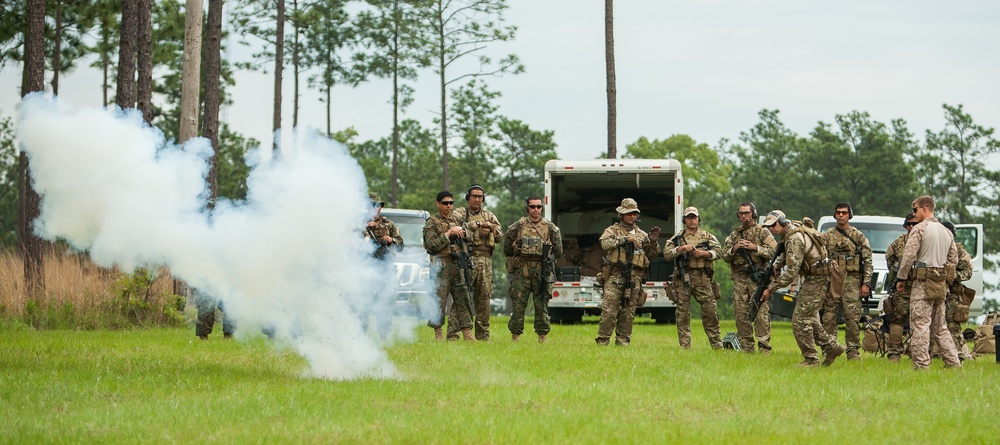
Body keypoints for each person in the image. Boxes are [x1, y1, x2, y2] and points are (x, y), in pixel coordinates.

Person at [761, 210, 846, 367]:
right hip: (815, 277)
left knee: (799, 320)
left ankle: (811, 359)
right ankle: (832, 347)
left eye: (773, 225)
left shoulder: (794, 238)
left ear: (781, 222)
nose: (771, 229)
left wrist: (770, 289)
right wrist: (779, 264)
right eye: (769, 226)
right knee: (811, 318)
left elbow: (792, 271)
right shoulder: (795, 229)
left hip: (817, 279)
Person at [895, 196, 961, 370]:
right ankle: (954, 363)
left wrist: (901, 278)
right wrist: (945, 279)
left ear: (925, 209)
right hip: (940, 283)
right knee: (940, 327)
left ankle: (921, 365)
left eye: (915, 209)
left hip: (922, 283)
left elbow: (909, 255)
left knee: (920, 325)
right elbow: (953, 258)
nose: (914, 213)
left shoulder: (920, 229)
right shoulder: (946, 231)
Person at [595, 198, 660, 346]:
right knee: (609, 311)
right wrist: (624, 239)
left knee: (628, 312)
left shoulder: (642, 234)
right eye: (629, 213)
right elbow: (605, 244)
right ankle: (603, 341)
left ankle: (623, 342)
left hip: (634, 278)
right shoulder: (612, 231)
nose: (632, 216)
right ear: (622, 214)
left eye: (635, 214)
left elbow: (652, 254)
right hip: (615, 276)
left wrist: (654, 242)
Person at [503, 196, 563, 343]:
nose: (536, 210)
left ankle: (542, 336)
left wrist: (549, 258)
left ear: (542, 207)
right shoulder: (517, 226)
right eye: (532, 207)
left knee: (541, 304)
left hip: (541, 271)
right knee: (518, 304)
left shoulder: (550, 228)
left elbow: (559, 250)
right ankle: (515, 336)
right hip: (522, 271)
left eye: (538, 206)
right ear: (527, 208)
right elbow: (507, 248)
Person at [664, 206, 725, 350]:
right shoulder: (677, 238)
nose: (692, 220)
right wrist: (681, 249)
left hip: (702, 278)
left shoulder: (707, 236)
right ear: (684, 220)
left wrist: (704, 254)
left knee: (710, 311)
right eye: (689, 217)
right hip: (682, 278)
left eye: (694, 217)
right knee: (682, 313)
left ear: (698, 219)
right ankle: (685, 346)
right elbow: (667, 254)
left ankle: (717, 345)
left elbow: (719, 252)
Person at [448, 185, 503, 341]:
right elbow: (455, 228)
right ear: (468, 197)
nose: (477, 199)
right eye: (474, 196)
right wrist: (478, 225)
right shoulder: (460, 214)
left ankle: (483, 335)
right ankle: (453, 334)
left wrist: (490, 228)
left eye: (480, 197)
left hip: (485, 261)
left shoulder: (489, 215)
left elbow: (499, 235)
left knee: (484, 299)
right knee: (461, 296)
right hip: (467, 258)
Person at [721, 202, 777, 353]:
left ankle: (764, 348)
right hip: (740, 278)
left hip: (757, 278)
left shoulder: (762, 232)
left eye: (746, 213)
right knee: (740, 313)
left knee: (760, 313)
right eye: (741, 213)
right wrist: (736, 248)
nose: (744, 216)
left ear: (753, 214)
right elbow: (724, 256)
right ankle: (747, 347)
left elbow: (774, 252)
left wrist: (755, 248)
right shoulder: (734, 235)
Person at [422, 191, 476, 341]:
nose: (449, 206)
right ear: (438, 204)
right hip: (441, 266)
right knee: (439, 300)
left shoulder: (457, 219)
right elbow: (431, 245)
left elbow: (471, 237)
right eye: (445, 203)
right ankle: (438, 333)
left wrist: (463, 232)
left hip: (458, 264)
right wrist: (448, 233)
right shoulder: (432, 222)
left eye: (451, 203)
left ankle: (467, 333)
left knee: (463, 299)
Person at [822, 203, 873, 360]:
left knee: (853, 317)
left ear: (849, 215)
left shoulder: (858, 236)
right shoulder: (827, 235)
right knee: (829, 316)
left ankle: (852, 350)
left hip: (851, 280)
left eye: (844, 213)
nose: (841, 215)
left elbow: (868, 261)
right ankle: (830, 347)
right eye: (838, 212)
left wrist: (866, 283)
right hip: (833, 280)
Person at [362, 192, 404, 340]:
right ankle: (361, 336)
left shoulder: (389, 225)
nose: (375, 208)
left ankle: (384, 335)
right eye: (371, 205)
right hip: (365, 270)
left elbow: (401, 245)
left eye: (377, 205)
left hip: (385, 268)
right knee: (363, 303)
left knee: (385, 302)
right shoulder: (358, 225)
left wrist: (391, 239)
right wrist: (365, 230)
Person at [938, 220, 975, 361]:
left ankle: (960, 354)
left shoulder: (960, 252)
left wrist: (949, 276)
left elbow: (967, 273)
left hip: (952, 294)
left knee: (953, 324)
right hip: (934, 290)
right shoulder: (935, 249)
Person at [884, 212, 918, 362]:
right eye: (909, 224)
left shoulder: (925, 241)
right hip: (902, 288)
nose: (911, 227)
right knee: (898, 319)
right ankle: (894, 353)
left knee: (921, 321)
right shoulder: (898, 244)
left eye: (914, 224)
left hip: (920, 286)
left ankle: (919, 351)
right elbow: (890, 261)